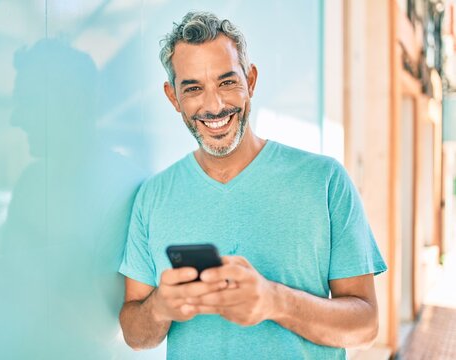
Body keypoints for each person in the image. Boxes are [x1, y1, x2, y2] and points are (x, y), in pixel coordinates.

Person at [118, 11, 387, 359]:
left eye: (227, 82)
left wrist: (276, 301)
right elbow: (135, 335)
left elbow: (365, 326)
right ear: (173, 98)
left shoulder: (325, 181)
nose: (214, 105)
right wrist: (159, 308)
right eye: (194, 89)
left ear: (252, 81)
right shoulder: (152, 197)